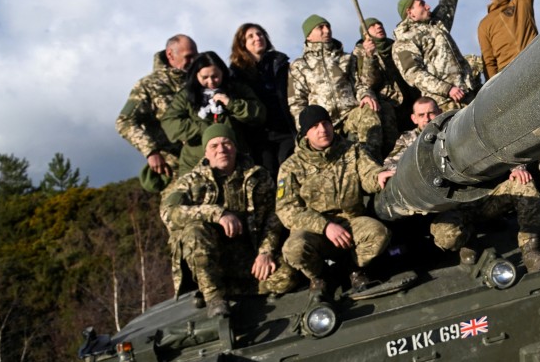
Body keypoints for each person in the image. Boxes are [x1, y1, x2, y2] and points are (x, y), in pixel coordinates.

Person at [160, 124, 298, 318]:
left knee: (287, 277)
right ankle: (214, 296)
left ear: (235, 147)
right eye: (214, 145)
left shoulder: (258, 176)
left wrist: (266, 252)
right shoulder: (190, 182)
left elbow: (273, 216)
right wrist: (217, 213)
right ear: (206, 152)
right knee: (194, 231)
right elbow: (169, 213)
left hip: (250, 259)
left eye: (226, 143)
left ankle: (241, 293)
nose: (221, 149)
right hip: (210, 262)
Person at [276, 105, 394, 295]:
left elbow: (368, 172)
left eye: (325, 123)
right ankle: (320, 276)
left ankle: (354, 269)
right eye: (315, 126)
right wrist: (325, 226)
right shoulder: (291, 167)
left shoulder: (352, 151)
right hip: (313, 231)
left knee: (378, 233)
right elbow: (287, 210)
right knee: (294, 249)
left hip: (350, 224)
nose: (322, 130)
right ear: (305, 134)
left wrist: (378, 177)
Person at [384, 96, 474, 264]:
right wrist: (389, 171)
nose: (427, 118)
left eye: (431, 113)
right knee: (448, 236)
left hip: (468, 195)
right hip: (437, 205)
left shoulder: (454, 133)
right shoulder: (406, 140)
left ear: (440, 112)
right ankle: (466, 239)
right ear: (414, 118)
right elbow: (391, 163)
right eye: (422, 115)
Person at [288, 14, 383, 159]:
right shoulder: (299, 65)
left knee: (369, 111)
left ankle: (371, 160)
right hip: (322, 124)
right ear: (309, 36)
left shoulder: (346, 58)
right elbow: (297, 103)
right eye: (320, 27)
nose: (327, 30)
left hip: (349, 115)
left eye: (328, 26)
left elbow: (360, 84)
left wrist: (365, 95)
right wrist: (305, 128)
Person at [392, 0, 479, 112]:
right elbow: (414, 74)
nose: (428, 6)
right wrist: (447, 89)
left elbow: (448, 0)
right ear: (410, 13)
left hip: (468, 93)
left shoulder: (436, 24)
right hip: (444, 103)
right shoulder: (404, 41)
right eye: (421, 4)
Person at [162, 51, 266, 175]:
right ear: (196, 75)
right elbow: (170, 123)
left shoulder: (238, 90)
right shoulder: (186, 96)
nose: (211, 82)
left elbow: (259, 114)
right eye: (205, 77)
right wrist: (205, 129)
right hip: (195, 163)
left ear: (223, 72)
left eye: (215, 76)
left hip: (236, 161)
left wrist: (231, 104)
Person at [116, 34, 198, 191]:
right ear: (170, 55)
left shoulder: (202, 80)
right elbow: (124, 121)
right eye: (188, 57)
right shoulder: (148, 86)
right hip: (174, 170)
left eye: (196, 56)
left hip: (205, 165)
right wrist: (151, 151)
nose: (193, 62)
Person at [229, 23, 294, 177]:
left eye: (260, 34)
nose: (257, 38)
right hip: (257, 135)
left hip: (285, 129)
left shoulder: (280, 63)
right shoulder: (236, 73)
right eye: (250, 36)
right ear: (242, 44)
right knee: (267, 174)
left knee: (289, 171)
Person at [353, 17, 415, 156]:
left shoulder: (396, 45)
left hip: (411, 99)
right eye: (372, 26)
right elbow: (368, 82)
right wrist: (370, 56)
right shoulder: (359, 53)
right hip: (389, 104)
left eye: (379, 23)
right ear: (365, 34)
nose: (378, 27)